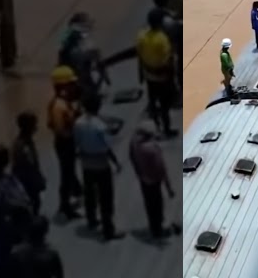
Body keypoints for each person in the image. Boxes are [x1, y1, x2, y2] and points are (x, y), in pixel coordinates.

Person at [73, 93, 124, 241]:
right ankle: (108, 230)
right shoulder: (100, 126)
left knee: (89, 193)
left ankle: (91, 219)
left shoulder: (78, 123)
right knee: (106, 197)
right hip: (101, 164)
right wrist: (115, 162)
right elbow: (108, 146)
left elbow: (76, 142)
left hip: (86, 163)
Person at [129, 120, 178, 240]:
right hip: (154, 180)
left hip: (143, 178)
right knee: (157, 204)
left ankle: (154, 227)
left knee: (149, 204)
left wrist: (139, 174)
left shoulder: (133, 143)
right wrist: (169, 188)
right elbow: (162, 169)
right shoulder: (152, 149)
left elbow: (131, 158)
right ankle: (158, 229)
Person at [45, 67, 81, 219]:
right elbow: (60, 129)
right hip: (65, 143)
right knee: (66, 174)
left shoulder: (61, 102)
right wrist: (74, 119)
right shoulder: (59, 106)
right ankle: (65, 205)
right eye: (70, 83)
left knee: (69, 171)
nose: (73, 86)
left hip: (66, 142)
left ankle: (77, 189)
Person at [136, 8, 176, 137]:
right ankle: (167, 129)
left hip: (149, 75)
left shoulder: (141, 35)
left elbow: (140, 56)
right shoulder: (162, 39)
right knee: (165, 105)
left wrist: (141, 73)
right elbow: (169, 60)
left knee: (153, 100)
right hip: (162, 76)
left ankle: (156, 126)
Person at [11, 111, 46, 214]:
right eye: (34, 124)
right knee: (33, 206)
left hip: (27, 182)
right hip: (27, 184)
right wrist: (38, 180)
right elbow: (29, 166)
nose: (36, 127)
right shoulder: (23, 146)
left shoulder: (24, 141)